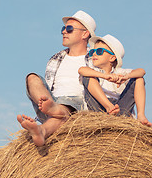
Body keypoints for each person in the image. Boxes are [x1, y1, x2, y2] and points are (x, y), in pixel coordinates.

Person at [17, 10, 97, 146]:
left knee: (63, 109)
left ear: (85, 34)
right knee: (32, 78)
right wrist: (49, 104)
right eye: (63, 29)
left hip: (78, 108)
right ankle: (51, 109)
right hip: (50, 105)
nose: (64, 32)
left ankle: (42, 130)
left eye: (69, 29)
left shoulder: (96, 58)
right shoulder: (55, 59)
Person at [78, 34, 152, 127]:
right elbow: (81, 70)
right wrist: (105, 76)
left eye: (100, 51)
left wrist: (126, 77)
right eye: (93, 51)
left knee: (139, 79)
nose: (94, 54)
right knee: (88, 77)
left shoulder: (120, 72)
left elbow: (141, 71)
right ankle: (109, 107)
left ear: (112, 58)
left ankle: (141, 115)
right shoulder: (94, 71)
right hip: (98, 108)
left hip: (120, 108)